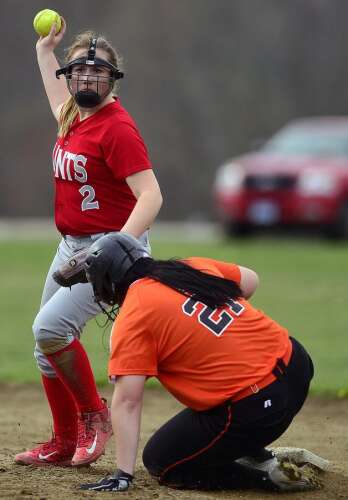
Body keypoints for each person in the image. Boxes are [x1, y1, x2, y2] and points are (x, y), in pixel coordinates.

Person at [15, 19, 162, 468]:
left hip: (110, 252)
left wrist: (116, 247)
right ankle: (62, 442)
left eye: (97, 73)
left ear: (112, 80)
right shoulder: (74, 117)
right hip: (72, 245)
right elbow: (55, 97)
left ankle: (95, 416)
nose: (86, 80)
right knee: (46, 347)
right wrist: (46, 53)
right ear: (70, 76)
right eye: (78, 72)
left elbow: (152, 195)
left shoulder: (116, 128)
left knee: (49, 329)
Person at [78, 232, 318, 493]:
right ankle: (257, 454)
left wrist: (123, 474)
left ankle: (266, 478)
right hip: (298, 366)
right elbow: (250, 281)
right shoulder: (189, 267)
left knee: (162, 460)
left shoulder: (134, 314)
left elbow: (127, 401)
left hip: (260, 408)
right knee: (217, 400)